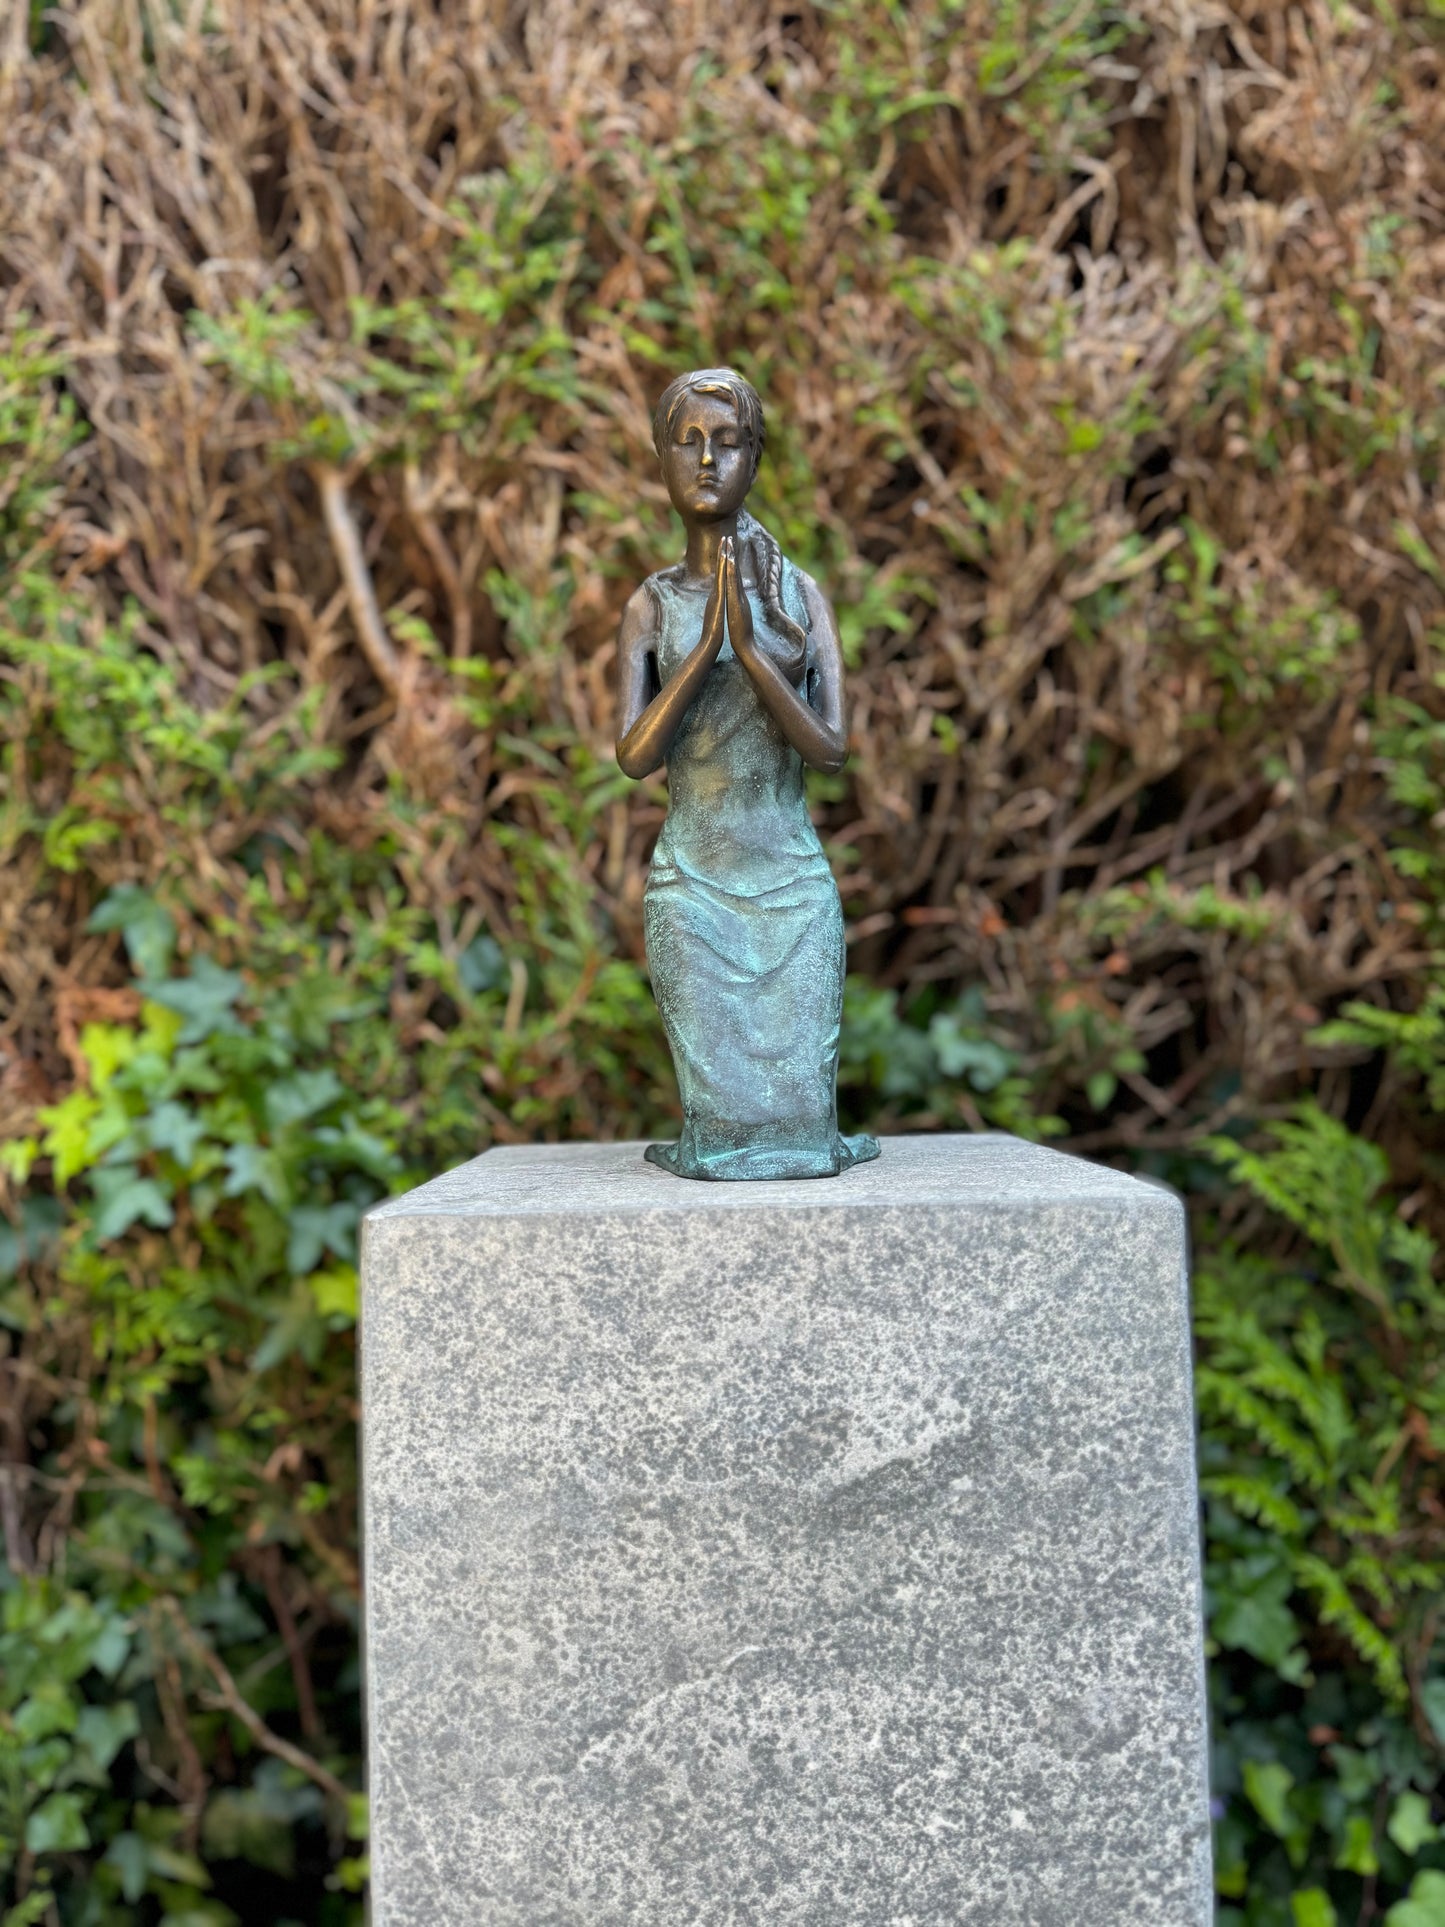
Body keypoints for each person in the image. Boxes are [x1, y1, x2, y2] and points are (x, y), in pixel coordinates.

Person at [615, 366, 880, 1180]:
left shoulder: (798, 596)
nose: (706, 462)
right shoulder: (651, 606)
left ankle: (805, 1140)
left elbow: (829, 748)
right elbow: (634, 756)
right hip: (695, 887)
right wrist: (702, 651)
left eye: (727, 444)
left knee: (798, 1124)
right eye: (687, 443)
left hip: (790, 886)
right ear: (660, 458)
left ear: (754, 460)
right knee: (724, 1123)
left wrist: (759, 654)